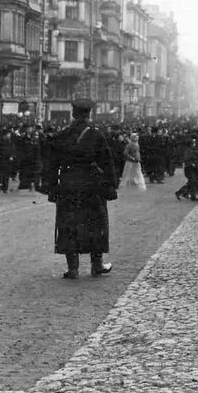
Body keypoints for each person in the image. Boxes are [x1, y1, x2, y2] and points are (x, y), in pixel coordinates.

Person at [41, 98, 119, 278]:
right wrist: (110, 186)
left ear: (73, 114)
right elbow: (107, 162)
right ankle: (97, 265)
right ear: (89, 114)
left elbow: (51, 165)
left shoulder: (63, 135)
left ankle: (73, 268)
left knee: (69, 225)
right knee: (96, 223)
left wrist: (52, 189)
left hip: (68, 186)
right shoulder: (96, 134)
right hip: (92, 186)